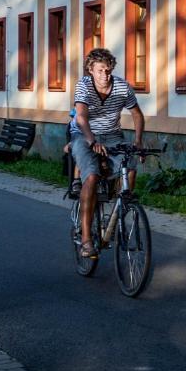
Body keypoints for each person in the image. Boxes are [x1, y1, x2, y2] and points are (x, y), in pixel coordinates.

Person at [71, 48, 145, 260]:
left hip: (113, 135)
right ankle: (86, 240)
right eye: (101, 70)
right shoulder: (84, 85)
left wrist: (138, 141)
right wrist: (91, 140)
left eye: (108, 70)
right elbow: (81, 117)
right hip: (84, 135)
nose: (105, 74)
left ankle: (120, 208)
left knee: (130, 165)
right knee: (92, 176)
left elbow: (137, 114)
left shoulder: (122, 87)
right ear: (91, 70)